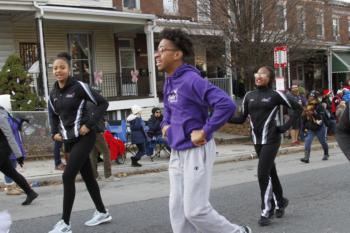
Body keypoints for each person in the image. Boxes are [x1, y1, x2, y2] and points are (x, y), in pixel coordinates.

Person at [156, 28, 251, 233]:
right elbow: (168, 109)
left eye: (162, 49)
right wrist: (164, 125)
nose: (157, 54)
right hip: (177, 151)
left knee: (195, 210)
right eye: (157, 50)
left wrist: (206, 131)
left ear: (177, 54)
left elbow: (226, 104)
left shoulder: (192, 80)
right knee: (177, 210)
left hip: (196, 150)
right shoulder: (169, 81)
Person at [229, 66, 303, 226]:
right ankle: (281, 201)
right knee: (271, 172)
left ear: (269, 78)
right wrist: (221, 117)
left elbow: (298, 108)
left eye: (263, 74)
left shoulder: (276, 95)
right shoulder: (249, 95)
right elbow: (241, 118)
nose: (259, 76)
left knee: (263, 174)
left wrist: (285, 128)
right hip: (257, 140)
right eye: (257, 73)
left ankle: (266, 211)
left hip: (272, 139)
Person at [48, 52, 111, 233]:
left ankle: (65, 224)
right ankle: (102, 212)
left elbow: (103, 103)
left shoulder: (79, 87)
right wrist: (54, 133)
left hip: (85, 138)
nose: (58, 71)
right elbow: (52, 114)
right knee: (89, 178)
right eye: (55, 68)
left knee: (67, 176)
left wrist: (89, 125)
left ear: (69, 69)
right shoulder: (53, 93)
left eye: (62, 67)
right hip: (69, 141)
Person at [0, 105, 38, 205]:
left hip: (2, 148)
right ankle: (30, 193)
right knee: (12, 173)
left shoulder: (1, 116)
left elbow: (10, 136)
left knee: (11, 173)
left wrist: (18, 155)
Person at [87, 99, 114, 181]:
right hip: (96, 132)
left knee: (93, 155)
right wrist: (100, 129)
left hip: (88, 132)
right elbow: (96, 119)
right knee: (106, 152)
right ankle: (108, 175)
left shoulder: (86, 103)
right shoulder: (95, 104)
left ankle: (95, 176)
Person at [300, 91, 329, 163]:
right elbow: (304, 118)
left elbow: (321, 117)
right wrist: (303, 127)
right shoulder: (307, 105)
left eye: (312, 96)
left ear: (315, 98)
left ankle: (326, 153)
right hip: (311, 128)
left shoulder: (319, 106)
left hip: (319, 127)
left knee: (323, 142)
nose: (310, 98)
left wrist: (314, 113)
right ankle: (306, 158)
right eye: (309, 96)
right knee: (307, 141)